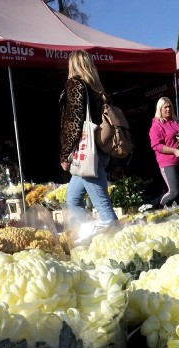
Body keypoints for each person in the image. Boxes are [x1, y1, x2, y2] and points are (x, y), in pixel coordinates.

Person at [59, 50, 118, 227]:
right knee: (73, 200)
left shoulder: (74, 84)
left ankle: (115, 239)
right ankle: (89, 235)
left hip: (87, 154)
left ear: (73, 65)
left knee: (102, 205)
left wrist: (65, 153)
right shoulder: (96, 89)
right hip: (98, 150)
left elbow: (73, 121)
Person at [149, 97, 179, 208]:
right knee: (175, 192)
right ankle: (160, 208)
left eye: (170, 106)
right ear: (160, 109)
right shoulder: (156, 125)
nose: (168, 109)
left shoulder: (177, 123)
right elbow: (156, 146)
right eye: (165, 107)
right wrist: (174, 150)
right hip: (168, 163)